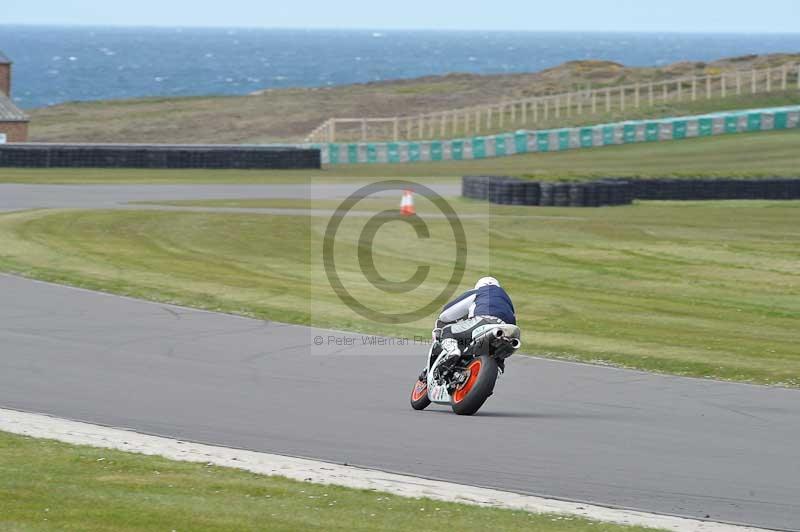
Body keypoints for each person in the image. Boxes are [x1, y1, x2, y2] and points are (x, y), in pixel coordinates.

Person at [429, 277, 516, 375]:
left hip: (485, 321)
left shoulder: (480, 291)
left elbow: (446, 314)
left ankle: (452, 351)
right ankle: (498, 366)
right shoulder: (507, 299)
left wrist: (443, 320)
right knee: (497, 349)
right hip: (508, 331)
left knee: (447, 331)